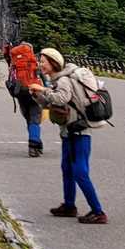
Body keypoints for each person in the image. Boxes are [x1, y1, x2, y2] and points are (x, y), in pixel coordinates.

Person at [27, 48, 107, 225]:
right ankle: (69, 206)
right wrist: (37, 96)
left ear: (53, 62)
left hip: (79, 131)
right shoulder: (57, 80)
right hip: (68, 131)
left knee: (80, 172)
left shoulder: (63, 80)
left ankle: (98, 211)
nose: (40, 64)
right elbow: (50, 104)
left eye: (43, 61)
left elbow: (61, 98)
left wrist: (43, 89)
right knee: (67, 168)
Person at [4, 41, 45, 158]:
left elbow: (6, 56)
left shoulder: (14, 61)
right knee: (35, 118)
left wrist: (8, 48)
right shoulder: (33, 61)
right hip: (34, 91)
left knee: (28, 118)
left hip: (20, 92)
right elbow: (42, 77)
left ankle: (37, 142)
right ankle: (34, 145)